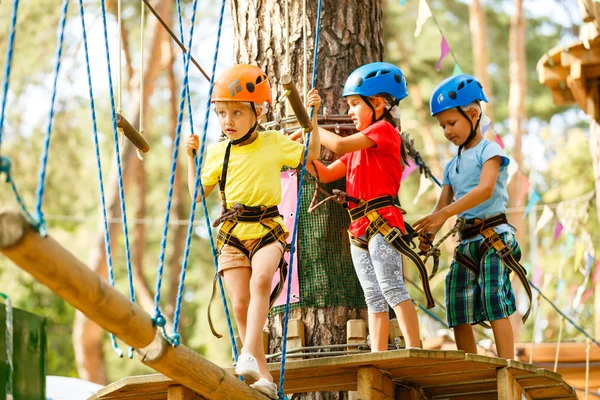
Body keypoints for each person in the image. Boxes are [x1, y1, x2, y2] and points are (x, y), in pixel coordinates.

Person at [185, 64, 321, 398]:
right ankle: (265, 378)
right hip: (231, 233)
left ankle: (246, 354)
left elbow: (311, 155)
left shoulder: (273, 143)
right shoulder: (219, 153)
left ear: (257, 112)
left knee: (261, 281)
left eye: (236, 112)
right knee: (241, 305)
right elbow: (197, 196)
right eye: (221, 113)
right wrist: (190, 158)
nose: (227, 121)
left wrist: (313, 118)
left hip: (267, 229)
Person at [295, 62, 430, 351]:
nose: (349, 112)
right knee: (373, 296)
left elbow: (340, 146)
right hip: (358, 229)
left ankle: (414, 348)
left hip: (382, 221)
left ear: (378, 103)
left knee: (393, 289)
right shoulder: (357, 152)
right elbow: (325, 173)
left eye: (355, 104)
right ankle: (378, 352)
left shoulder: (384, 132)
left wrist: (312, 128)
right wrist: (304, 152)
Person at [413, 74, 531, 360]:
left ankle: (506, 363)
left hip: (494, 237)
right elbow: (441, 208)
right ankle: (470, 364)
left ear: (474, 114)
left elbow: (484, 189)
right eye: (442, 126)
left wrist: (444, 213)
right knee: (457, 304)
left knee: (494, 298)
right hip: (466, 244)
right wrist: (429, 231)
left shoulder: (489, 151)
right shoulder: (451, 166)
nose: (446, 131)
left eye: (451, 123)